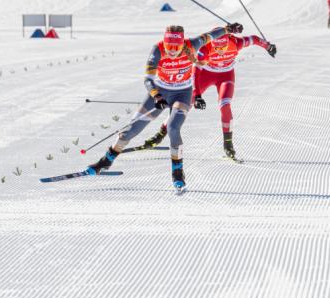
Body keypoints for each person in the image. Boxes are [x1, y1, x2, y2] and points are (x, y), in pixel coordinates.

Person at [85, 21, 242, 190]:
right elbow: (148, 79)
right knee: (131, 130)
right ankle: (106, 161)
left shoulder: (192, 45)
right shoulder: (157, 50)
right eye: (170, 47)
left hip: (182, 94)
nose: (173, 52)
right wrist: (157, 96)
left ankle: (177, 171)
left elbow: (212, 35)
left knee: (173, 128)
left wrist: (227, 29)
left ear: (182, 43)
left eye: (176, 48)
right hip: (160, 92)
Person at [139, 32, 277, 160]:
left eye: (222, 47)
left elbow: (254, 39)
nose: (219, 50)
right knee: (187, 103)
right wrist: (197, 95)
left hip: (225, 75)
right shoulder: (205, 50)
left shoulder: (236, 43)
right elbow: (195, 73)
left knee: (225, 105)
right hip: (206, 74)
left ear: (227, 42)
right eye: (216, 47)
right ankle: (160, 135)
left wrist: (268, 46)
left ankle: (228, 144)